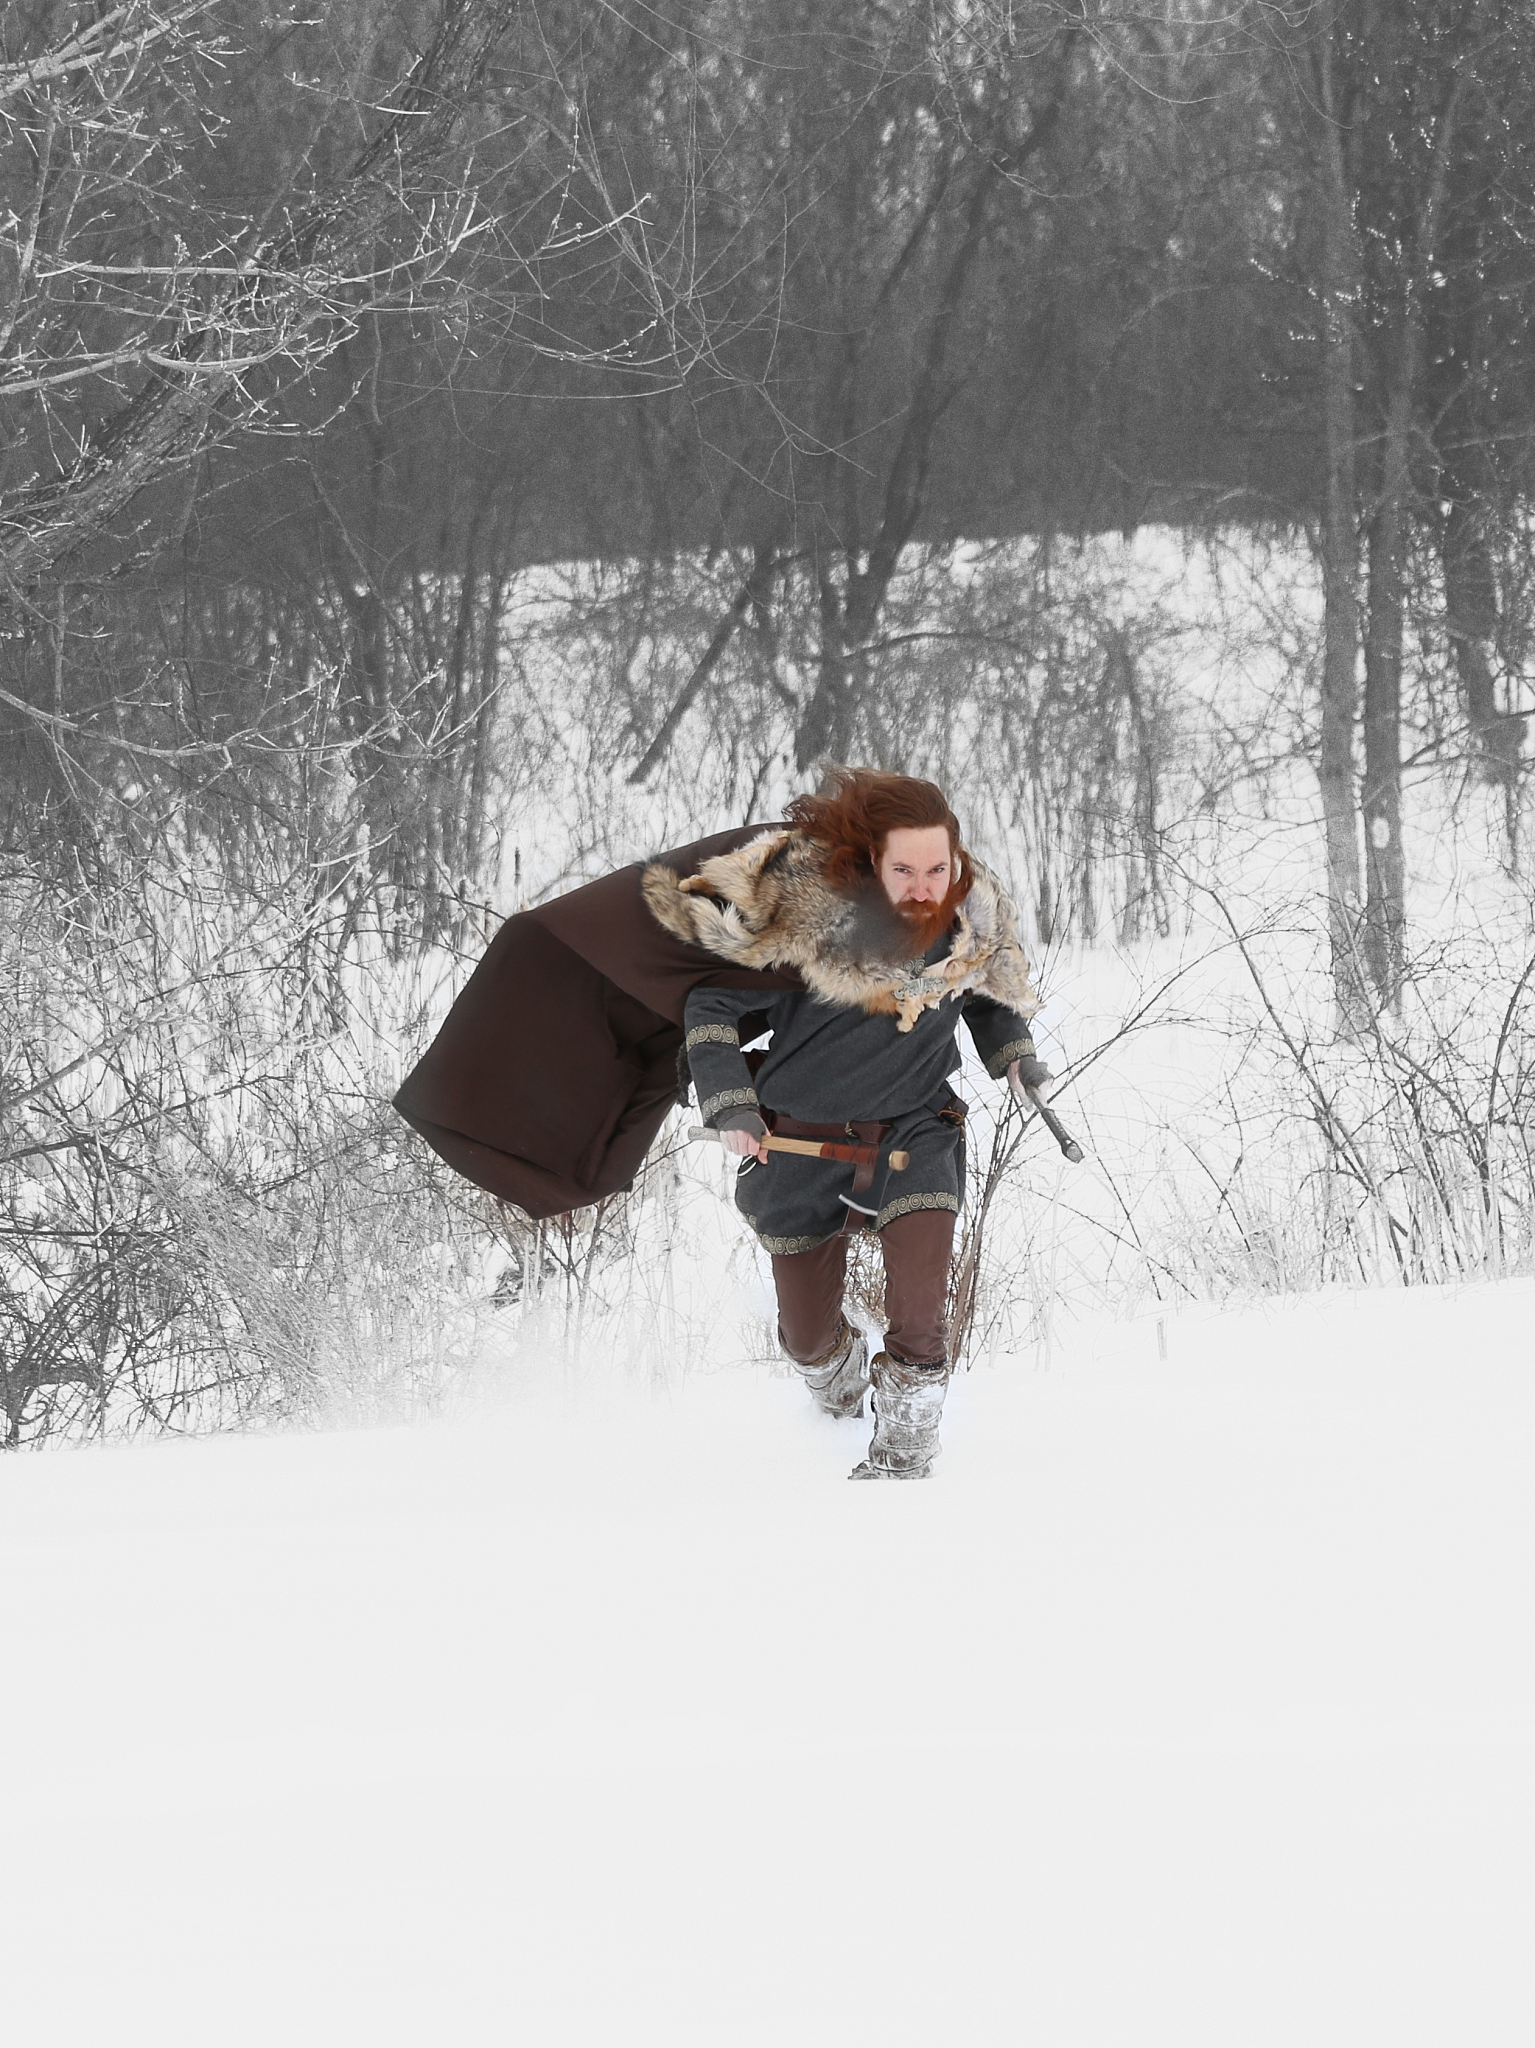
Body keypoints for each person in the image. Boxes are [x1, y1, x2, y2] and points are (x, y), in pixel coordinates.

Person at [641, 766, 1049, 1480]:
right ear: (869, 863)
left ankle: (905, 1454)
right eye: (903, 870)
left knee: (919, 1311)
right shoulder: (809, 927)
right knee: (805, 1338)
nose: (924, 886)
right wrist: (732, 1104)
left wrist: (1014, 1056)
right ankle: (837, 1384)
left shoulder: (966, 926)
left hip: (915, 1132)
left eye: (938, 868)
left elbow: (984, 993)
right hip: (798, 1140)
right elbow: (711, 1008)